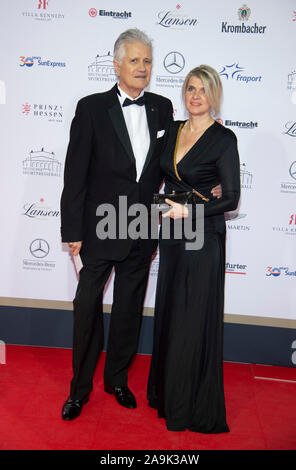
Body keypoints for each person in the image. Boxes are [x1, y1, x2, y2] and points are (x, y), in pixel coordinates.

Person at [60, 29, 221, 421]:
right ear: (116, 63)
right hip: (99, 226)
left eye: (147, 61)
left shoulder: (163, 108)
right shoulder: (91, 108)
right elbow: (74, 174)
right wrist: (72, 232)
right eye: (134, 60)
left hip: (141, 226)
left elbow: (175, 167)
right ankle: (79, 390)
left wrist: (206, 189)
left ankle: (116, 380)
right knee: (87, 309)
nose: (142, 68)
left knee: (130, 308)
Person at [147, 65, 240, 433]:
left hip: (203, 239)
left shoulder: (223, 139)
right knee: (171, 311)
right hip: (172, 236)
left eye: (203, 89)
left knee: (191, 318)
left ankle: (190, 406)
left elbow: (231, 198)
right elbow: (160, 178)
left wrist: (192, 209)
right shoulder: (172, 130)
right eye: (190, 88)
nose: (195, 95)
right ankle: (168, 396)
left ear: (213, 96)